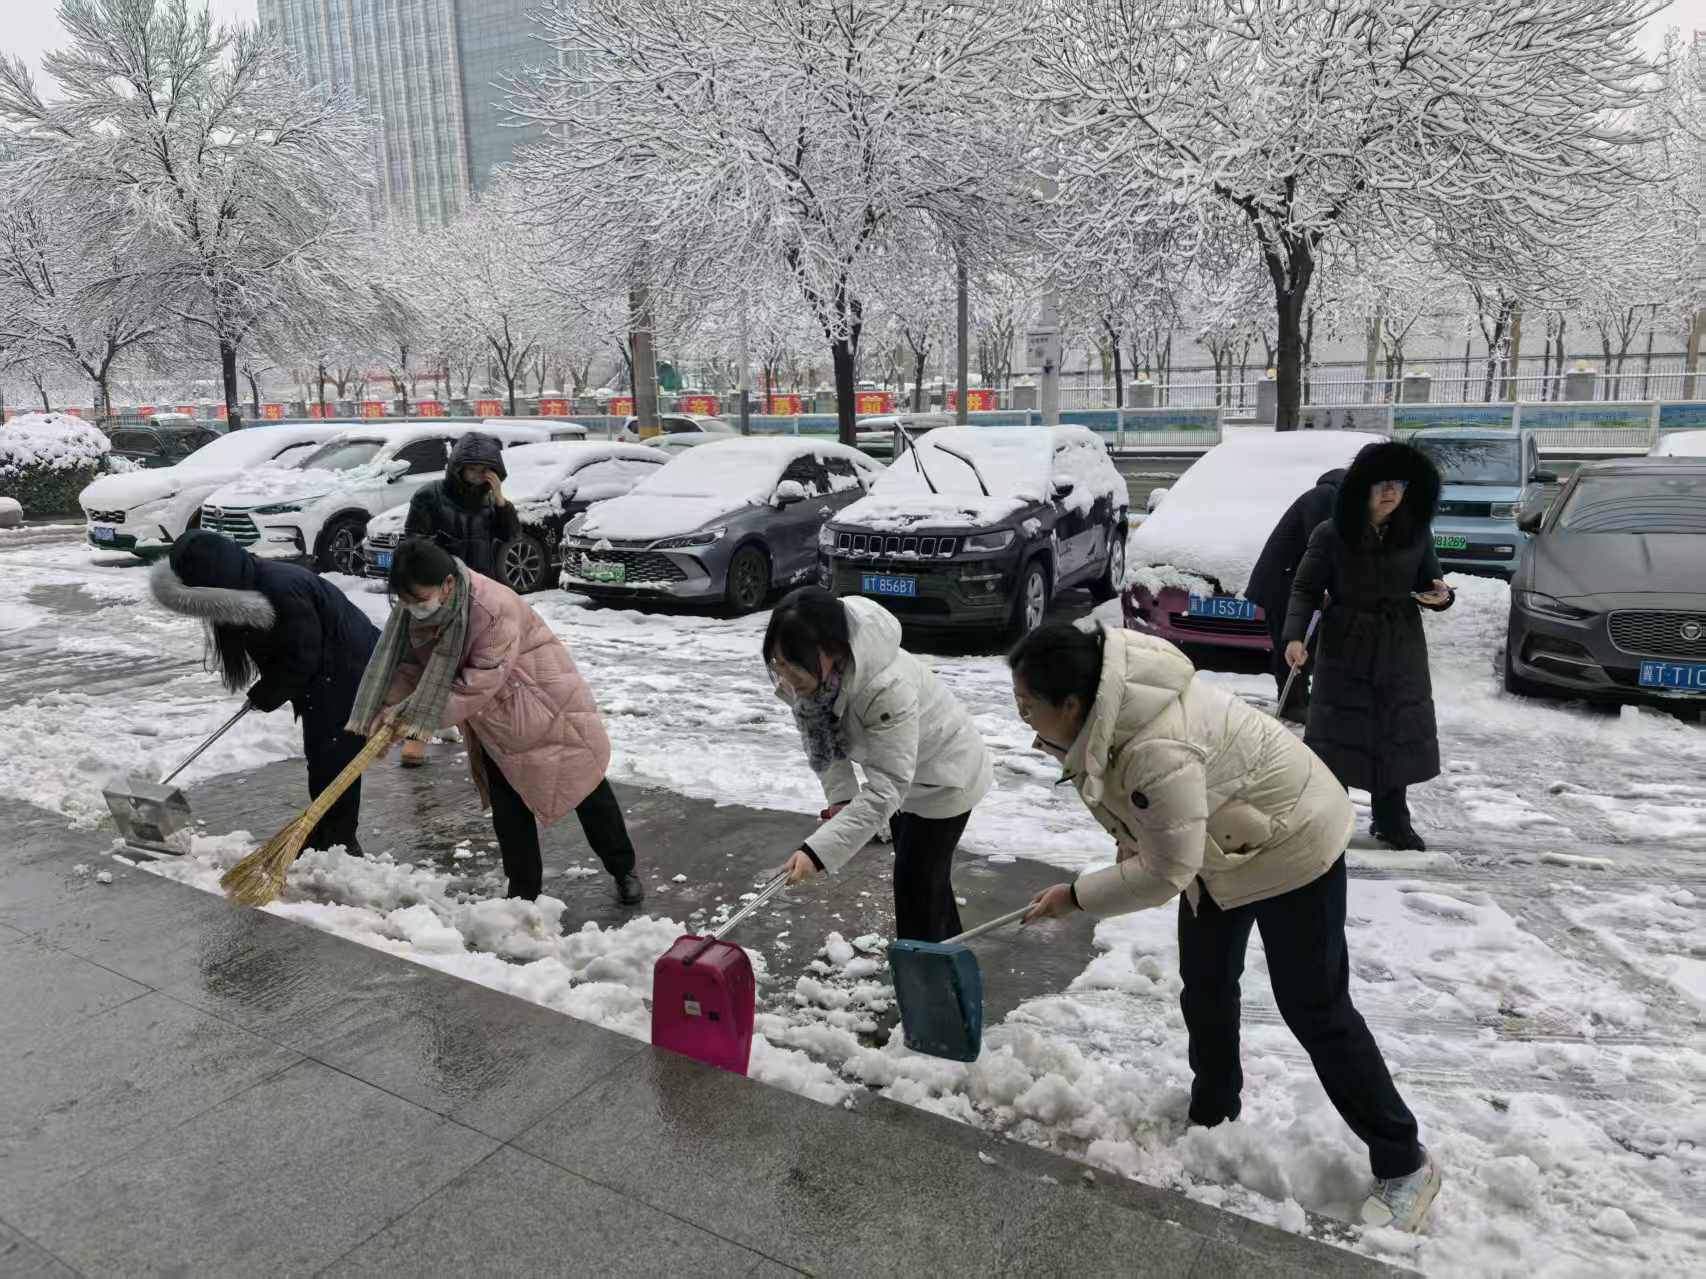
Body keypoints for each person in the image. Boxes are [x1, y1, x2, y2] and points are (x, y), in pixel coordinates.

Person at [1012, 621, 1441, 1234]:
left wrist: (1076, 897)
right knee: (1207, 983)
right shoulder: (1109, 716)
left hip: (1295, 841)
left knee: (1315, 1007)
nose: (1022, 716)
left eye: (1029, 704)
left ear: (1074, 703)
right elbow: (1152, 826)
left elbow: (1166, 869)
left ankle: (1404, 1162)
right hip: (1223, 844)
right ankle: (1214, 1114)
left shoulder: (1155, 746)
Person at [349, 537, 644, 905]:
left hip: (545, 705)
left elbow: (477, 683)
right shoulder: (417, 611)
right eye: (405, 601)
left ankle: (623, 869)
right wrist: (388, 709)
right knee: (508, 809)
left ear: (448, 584)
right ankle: (523, 894)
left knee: (586, 788)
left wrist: (414, 719)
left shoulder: (491, 609)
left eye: (419, 600)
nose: (412, 609)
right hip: (492, 723)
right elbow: (410, 666)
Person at [767, 588, 992, 943]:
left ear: (833, 648)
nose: (786, 676)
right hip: (905, 778)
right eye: (778, 662)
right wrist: (841, 799)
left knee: (916, 891)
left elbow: (888, 786)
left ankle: (926, 973)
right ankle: (950, 957)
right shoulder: (813, 680)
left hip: (945, 778)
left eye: (794, 664)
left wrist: (817, 852)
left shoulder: (886, 687)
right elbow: (824, 741)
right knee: (926, 884)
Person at [150, 529, 378, 856]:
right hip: (322, 673)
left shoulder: (280, 591)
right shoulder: (248, 587)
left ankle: (340, 843)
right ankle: (324, 834)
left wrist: (268, 693)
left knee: (333, 757)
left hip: (350, 668)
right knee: (322, 757)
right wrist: (270, 689)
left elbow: (303, 656)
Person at [1283, 441, 1454, 852]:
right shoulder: (1331, 533)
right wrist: (1294, 637)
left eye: (1399, 484)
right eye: (1381, 483)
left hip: (1400, 645)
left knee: (1394, 730)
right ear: (1363, 488)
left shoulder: (1416, 533)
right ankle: (1331, 819)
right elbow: (1305, 588)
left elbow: (1431, 582)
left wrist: (1442, 596)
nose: (1390, 492)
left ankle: (1392, 821)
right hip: (1346, 643)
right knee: (1336, 736)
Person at [396, 431, 519, 766]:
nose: (479, 476)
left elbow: (511, 536)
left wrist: (500, 499)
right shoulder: (429, 496)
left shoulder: (490, 502)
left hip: (481, 594)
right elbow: (415, 544)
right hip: (440, 594)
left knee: (479, 668)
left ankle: (477, 734)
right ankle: (417, 735)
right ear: (457, 467)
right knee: (434, 665)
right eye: (473, 469)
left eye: (486, 470)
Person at [1246, 467, 1346, 722]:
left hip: (1290, 578)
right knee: (1291, 642)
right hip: (1281, 581)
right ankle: (1292, 703)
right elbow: (1321, 543)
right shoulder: (1325, 496)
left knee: (1304, 642)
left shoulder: (1333, 497)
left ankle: (1300, 698)